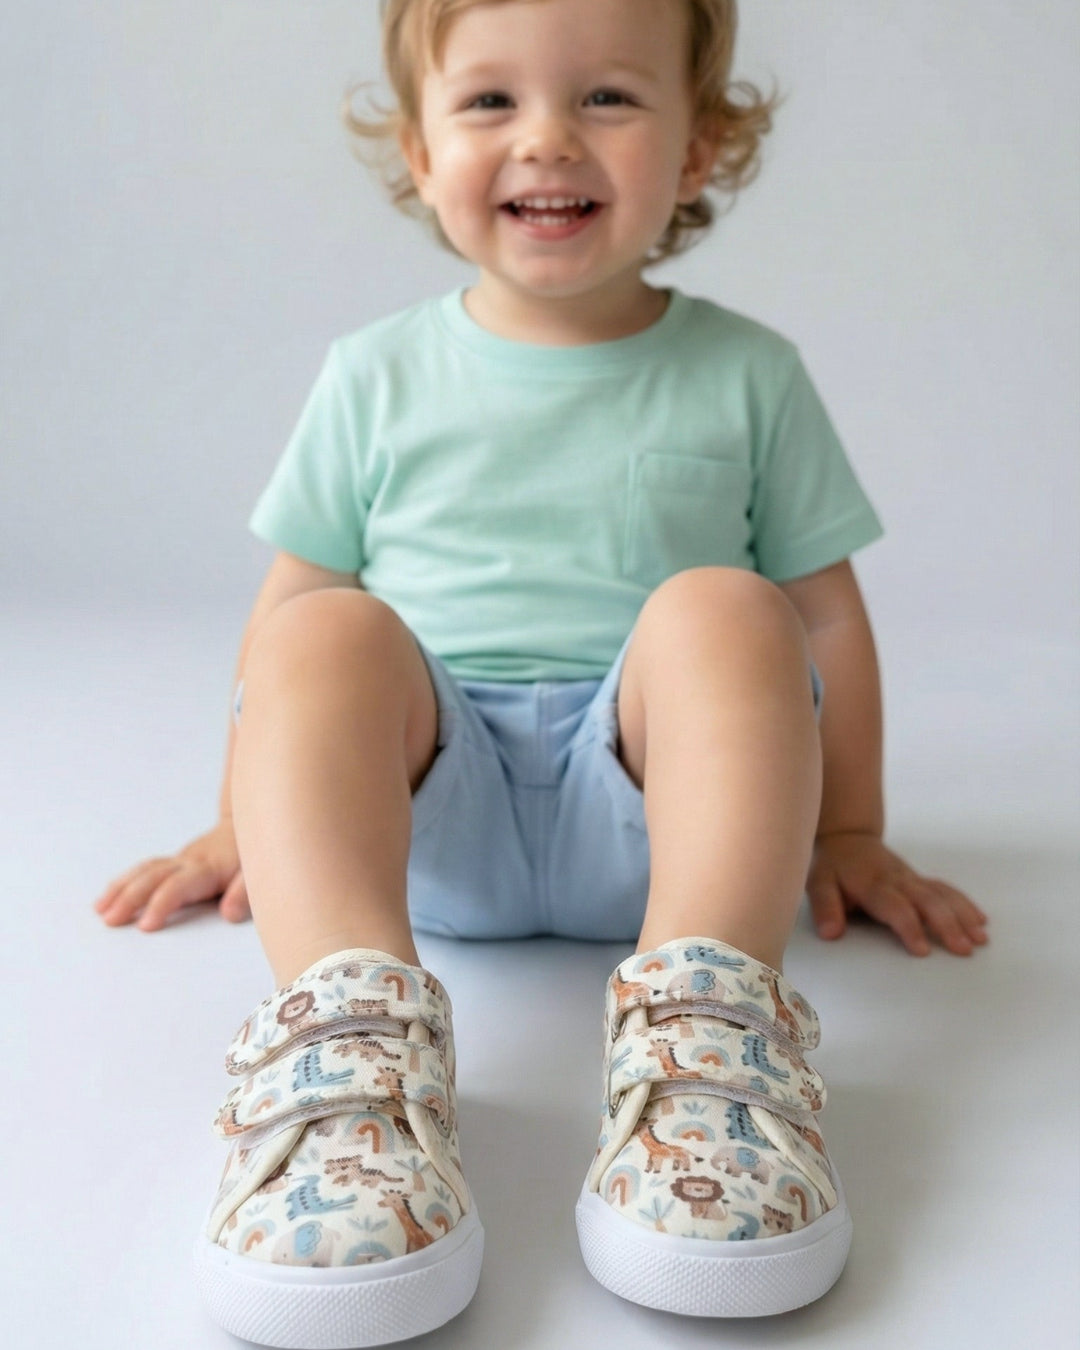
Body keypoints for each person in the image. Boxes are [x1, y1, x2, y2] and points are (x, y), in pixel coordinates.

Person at [95, 0, 989, 1344]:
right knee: (322, 626)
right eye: (490, 100)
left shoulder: (749, 373)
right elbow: (281, 629)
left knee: (728, 608)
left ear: (700, 146)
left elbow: (828, 622)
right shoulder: (374, 373)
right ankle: (349, 1053)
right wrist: (245, 821)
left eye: (609, 97)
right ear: (420, 148)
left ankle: (708, 1044)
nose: (549, 138)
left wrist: (849, 828)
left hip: (669, 824)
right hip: (426, 817)